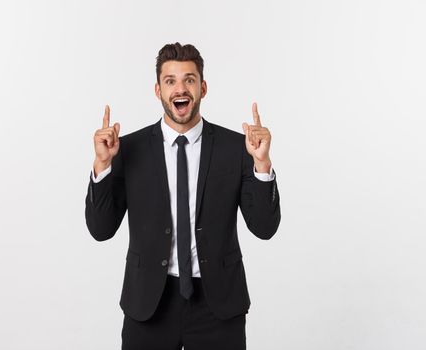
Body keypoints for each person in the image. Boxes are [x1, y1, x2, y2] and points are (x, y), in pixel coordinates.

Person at [85, 42, 281, 350]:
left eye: (189, 79)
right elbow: (100, 229)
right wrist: (103, 165)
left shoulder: (236, 149)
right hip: (149, 305)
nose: (181, 88)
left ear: (203, 87)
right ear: (158, 90)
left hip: (218, 306)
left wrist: (261, 163)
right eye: (171, 81)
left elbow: (265, 228)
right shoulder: (127, 149)